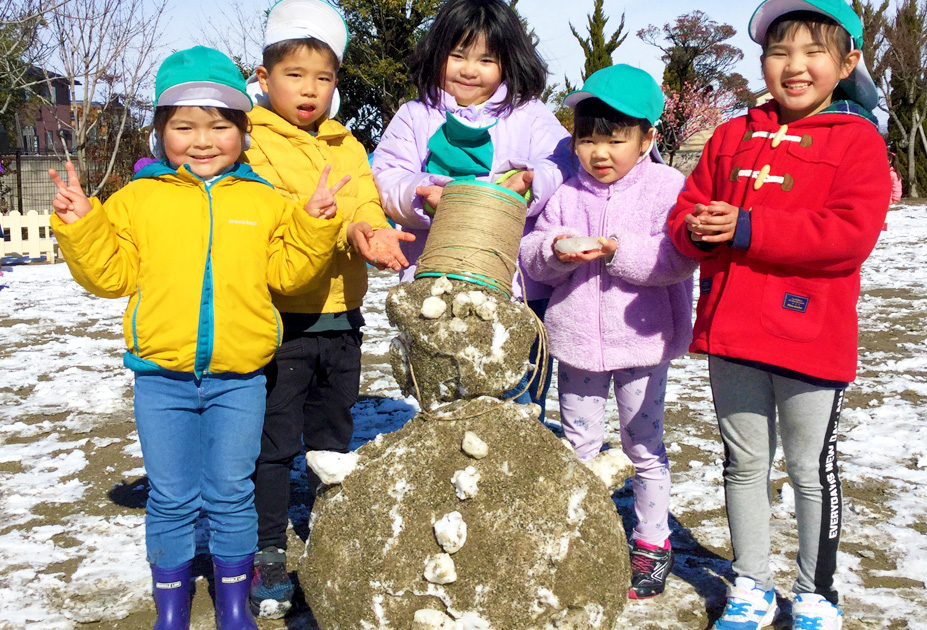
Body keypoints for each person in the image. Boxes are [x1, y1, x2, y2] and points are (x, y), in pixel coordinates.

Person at [47, 46, 345, 630]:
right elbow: (111, 276)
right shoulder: (137, 199)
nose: (202, 140)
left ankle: (234, 608)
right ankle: (172, 610)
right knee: (172, 497)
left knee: (232, 493)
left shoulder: (263, 201)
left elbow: (289, 274)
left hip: (240, 379)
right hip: (161, 378)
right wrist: (82, 225)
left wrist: (314, 224)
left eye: (220, 125)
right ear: (161, 132)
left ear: (243, 130)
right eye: (184, 125)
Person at [666, 1, 891, 628]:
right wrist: (695, 231)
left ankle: (816, 591)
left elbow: (848, 234)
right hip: (731, 331)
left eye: (813, 51)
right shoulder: (730, 136)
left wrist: (747, 227)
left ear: (846, 63)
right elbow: (686, 211)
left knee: (808, 470)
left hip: (810, 336)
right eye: (779, 51)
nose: (794, 66)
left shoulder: (858, 140)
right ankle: (751, 583)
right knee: (742, 463)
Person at [240, 0, 415, 617]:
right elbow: (270, 218)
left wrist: (371, 232)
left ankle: (332, 530)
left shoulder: (346, 143)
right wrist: (325, 224)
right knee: (273, 440)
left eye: (324, 77)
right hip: (282, 318)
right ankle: (265, 550)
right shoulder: (252, 142)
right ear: (263, 79)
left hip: (342, 316)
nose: (310, 90)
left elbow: (364, 203)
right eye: (295, 75)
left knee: (333, 432)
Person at [519, 64, 697, 600]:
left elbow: (677, 257)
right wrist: (555, 250)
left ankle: (651, 544)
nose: (600, 153)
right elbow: (531, 253)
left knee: (644, 446)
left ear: (647, 139)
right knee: (578, 447)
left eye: (615, 139)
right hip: (574, 342)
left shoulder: (668, 188)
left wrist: (619, 252)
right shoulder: (567, 192)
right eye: (588, 139)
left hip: (641, 342)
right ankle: (581, 537)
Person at [371, 0, 574, 421]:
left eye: (486, 59)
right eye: (458, 55)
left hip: (518, 285)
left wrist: (530, 178)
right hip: (440, 280)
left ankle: (517, 467)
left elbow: (563, 160)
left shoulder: (529, 114)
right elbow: (387, 174)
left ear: (509, 62)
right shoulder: (416, 115)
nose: (469, 69)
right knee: (448, 392)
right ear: (437, 53)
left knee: (518, 392)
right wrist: (423, 191)